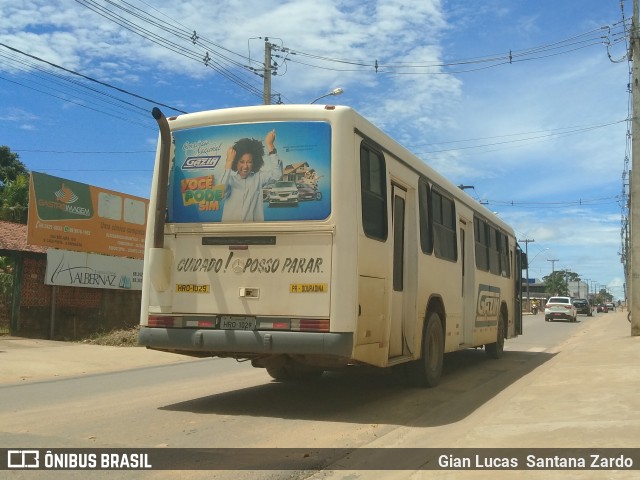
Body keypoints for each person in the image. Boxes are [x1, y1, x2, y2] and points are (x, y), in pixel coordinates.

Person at [220, 129, 283, 222]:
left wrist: (270, 146)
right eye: (241, 162)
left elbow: (277, 175)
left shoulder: (258, 178)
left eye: (249, 162)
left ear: (254, 163)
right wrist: (229, 161)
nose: (245, 166)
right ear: (236, 162)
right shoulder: (229, 180)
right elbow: (219, 191)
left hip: (253, 232)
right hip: (230, 232)